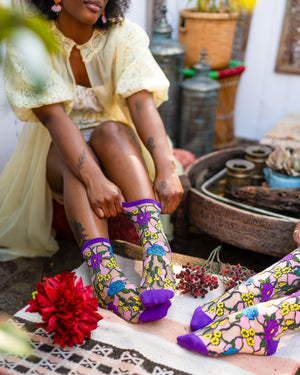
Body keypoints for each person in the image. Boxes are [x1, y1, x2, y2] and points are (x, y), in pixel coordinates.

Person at [0, 0, 184, 323]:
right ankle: (105, 275)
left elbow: (141, 105)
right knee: (77, 170)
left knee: (111, 130)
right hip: (57, 153)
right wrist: (95, 179)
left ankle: (157, 250)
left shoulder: (124, 37)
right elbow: (54, 119)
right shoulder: (31, 44)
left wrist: (166, 166)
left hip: (117, 148)